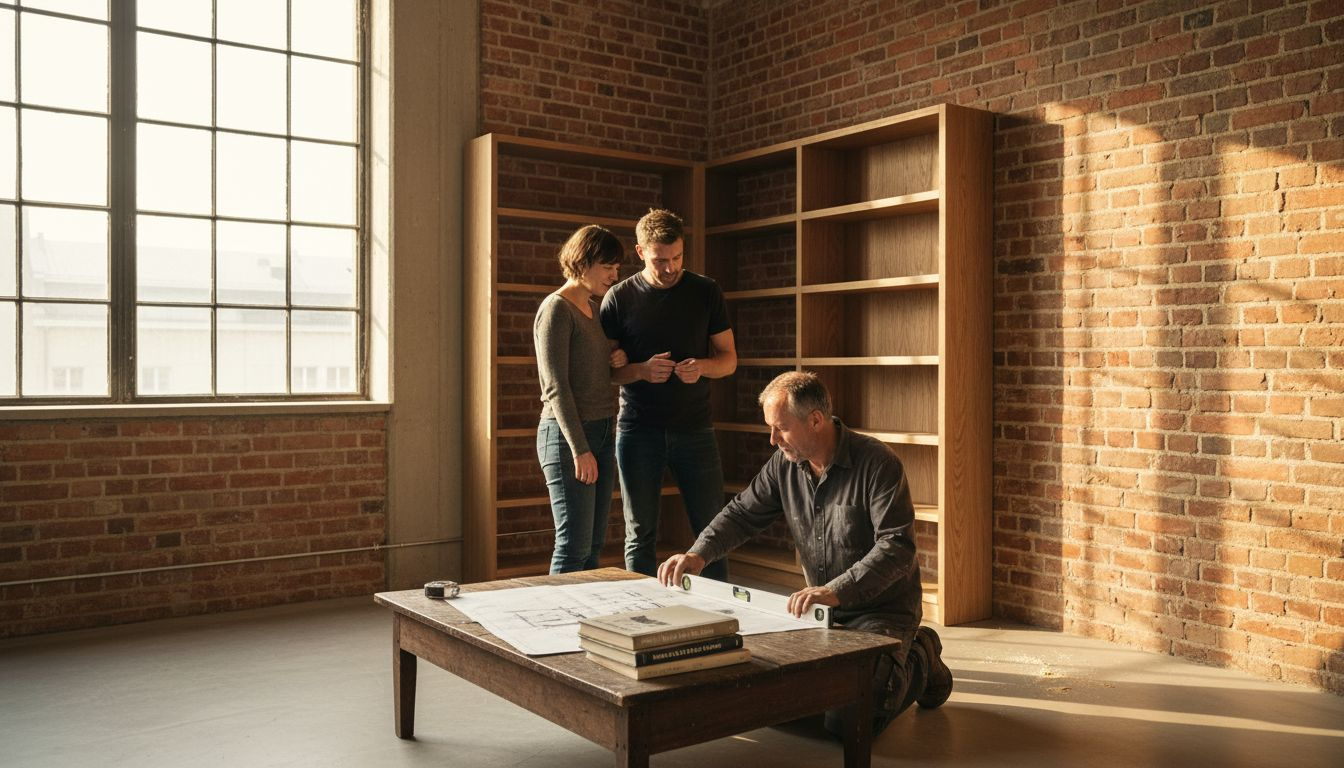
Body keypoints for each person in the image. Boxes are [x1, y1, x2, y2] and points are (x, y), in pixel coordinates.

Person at [656, 371, 953, 736]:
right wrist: (698, 554)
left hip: (882, 611)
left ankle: (922, 652)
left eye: (780, 428)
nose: (771, 439)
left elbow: (897, 548)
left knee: (851, 722)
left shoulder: (878, 463)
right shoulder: (784, 465)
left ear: (815, 420)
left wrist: (836, 590)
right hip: (819, 611)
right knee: (774, 703)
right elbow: (741, 513)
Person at [600, 208, 737, 581]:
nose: (670, 267)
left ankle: (721, 616)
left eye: (677, 257)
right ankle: (642, 617)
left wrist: (702, 368)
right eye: (660, 260)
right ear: (641, 252)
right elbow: (610, 372)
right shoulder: (618, 297)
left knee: (712, 532)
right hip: (638, 429)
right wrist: (641, 371)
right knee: (639, 533)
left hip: (695, 429)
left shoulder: (706, 291)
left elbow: (729, 361)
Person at [534, 225, 628, 573]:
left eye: (617, 269)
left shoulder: (593, 309)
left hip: (603, 432)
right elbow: (555, 386)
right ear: (584, 261)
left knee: (593, 547)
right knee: (573, 546)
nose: (614, 276)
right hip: (568, 437)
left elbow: (589, 367)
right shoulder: (556, 309)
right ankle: (556, 625)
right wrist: (579, 448)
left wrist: (613, 358)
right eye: (608, 267)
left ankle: (583, 623)